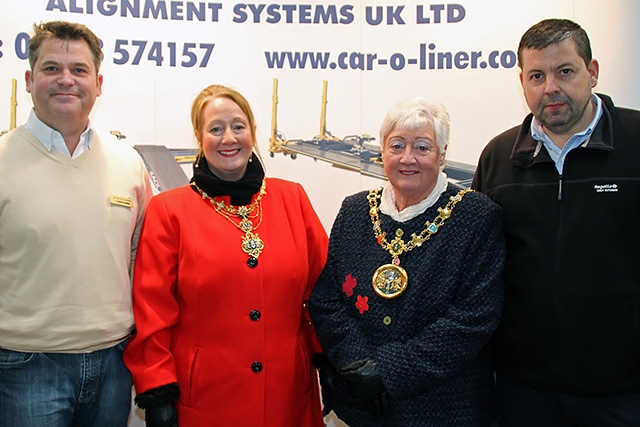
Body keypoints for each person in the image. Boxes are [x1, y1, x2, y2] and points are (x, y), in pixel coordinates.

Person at [123, 84, 329, 427]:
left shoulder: (292, 200)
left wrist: (332, 360)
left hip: (290, 396)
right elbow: (152, 309)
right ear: (199, 138)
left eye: (238, 126)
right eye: (215, 129)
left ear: (251, 131)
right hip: (206, 399)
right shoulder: (169, 211)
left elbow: (325, 294)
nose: (228, 138)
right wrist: (157, 386)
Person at [472, 18, 640, 426]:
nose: (551, 87)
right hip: (523, 390)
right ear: (523, 82)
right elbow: (478, 269)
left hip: (622, 389)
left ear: (592, 72)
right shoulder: (498, 157)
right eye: (537, 75)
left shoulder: (636, 141)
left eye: (564, 71)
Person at [308, 97, 505, 426]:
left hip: (446, 409)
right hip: (363, 406)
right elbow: (327, 301)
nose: (407, 158)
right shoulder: (355, 210)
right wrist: (359, 367)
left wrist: (386, 371)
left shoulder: (477, 215)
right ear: (382, 152)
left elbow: (474, 318)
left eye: (422, 147)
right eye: (396, 145)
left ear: (442, 155)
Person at [0, 21, 152, 426]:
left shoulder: (128, 163)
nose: (65, 80)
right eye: (51, 69)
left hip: (115, 363)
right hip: (24, 366)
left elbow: (143, 257)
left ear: (98, 84)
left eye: (79, 70)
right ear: (30, 79)